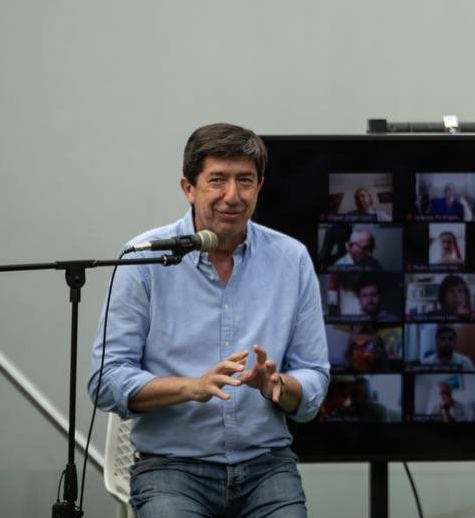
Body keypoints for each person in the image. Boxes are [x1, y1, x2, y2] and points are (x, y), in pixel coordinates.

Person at [88, 123, 328, 518]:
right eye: (217, 180)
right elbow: (105, 378)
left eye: (245, 181)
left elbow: (315, 376)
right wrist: (190, 386)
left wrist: (280, 385)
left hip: (266, 466)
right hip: (171, 468)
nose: (232, 196)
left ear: (259, 187)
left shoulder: (291, 259)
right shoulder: (142, 259)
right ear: (189, 188)